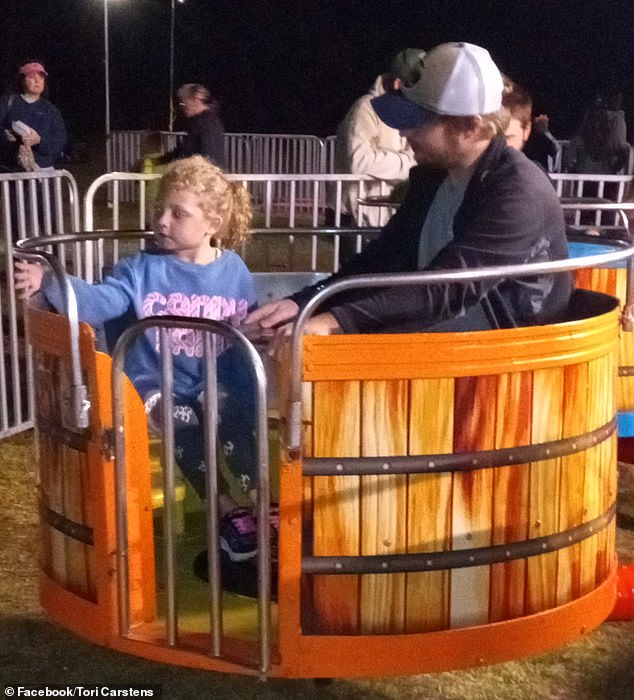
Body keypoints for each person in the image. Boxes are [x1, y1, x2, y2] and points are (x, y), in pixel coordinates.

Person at [15, 155, 264, 564]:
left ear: (212, 224)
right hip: (156, 382)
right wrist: (52, 280)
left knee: (233, 409)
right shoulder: (140, 269)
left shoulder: (234, 270)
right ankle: (223, 506)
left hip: (215, 377)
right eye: (159, 210)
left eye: (177, 213)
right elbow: (98, 303)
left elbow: (243, 329)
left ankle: (258, 498)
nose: (162, 221)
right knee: (179, 422)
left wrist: (261, 334)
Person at [246, 42, 573, 337]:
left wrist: (334, 322)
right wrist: (307, 303)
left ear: (469, 127)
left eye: (420, 121)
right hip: (449, 338)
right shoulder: (434, 173)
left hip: (509, 363)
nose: (405, 133)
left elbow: (445, 289)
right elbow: (386, 256)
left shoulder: (518, 191)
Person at [326, 48, 425, 231]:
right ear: (398, 84)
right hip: (354, 215)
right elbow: (360, 161)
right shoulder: (365, 108)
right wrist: (409, 163)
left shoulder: (411, 112)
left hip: (386, 213)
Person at [0, 59, 66, 172]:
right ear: (21, 80)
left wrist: (39, 141)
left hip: (44, 175)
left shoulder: (51, 110)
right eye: (31, 77)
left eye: (41, 77)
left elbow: (60, 142)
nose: (37, 81)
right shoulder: (8, 103)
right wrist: (6, 136)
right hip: (13, 174)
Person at [154, 83, 226, 169]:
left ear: (195, 100)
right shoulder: (198, 123)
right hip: (200, 175)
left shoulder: (207, 123)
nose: (183, 107)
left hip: (204, 177)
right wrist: (158, 161)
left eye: (184, 102)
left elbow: (210, 156)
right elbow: (183, 151)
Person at [501, 75, 560, 171]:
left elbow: (555, 152)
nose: (498, 146)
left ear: (526, 130)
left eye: (508, 137)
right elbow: (556, 153)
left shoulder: (532, 175)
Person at [564, 89, 630, 174]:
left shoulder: (579, 139)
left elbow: (567, 159)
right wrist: (614, 170)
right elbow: (623, 154)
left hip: (584, 180)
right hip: (606, 181)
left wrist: (575, 172)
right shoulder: (612, 142)